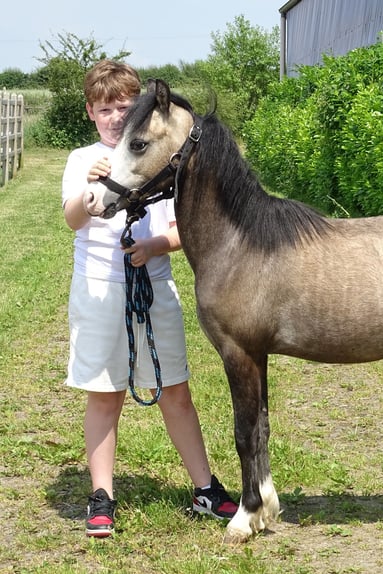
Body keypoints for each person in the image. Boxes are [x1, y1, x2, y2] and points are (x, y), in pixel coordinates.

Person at [61, 60, 238, 538]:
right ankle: (102, 496)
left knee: (175, 389)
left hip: (155, 286)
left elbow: (183, 228)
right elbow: (73, 218)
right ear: (90, 113)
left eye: (123, 107)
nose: (115, 117)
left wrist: (157, 245)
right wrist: (92, 186)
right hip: (100, 288)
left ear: (138, 106)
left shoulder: (160, 157)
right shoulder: (82, 159)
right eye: (105, 110)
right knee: (105, 394)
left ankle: (205, 488)